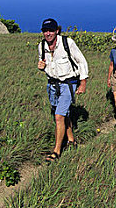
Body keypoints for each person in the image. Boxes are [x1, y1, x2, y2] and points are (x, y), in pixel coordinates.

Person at [37, 18, 89, 162]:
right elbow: (47, 66)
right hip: (52, 84)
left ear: (57, 31)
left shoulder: (67, 43)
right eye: (45, 31)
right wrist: (41, 67)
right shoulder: (41, 46)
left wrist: (83, 82)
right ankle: (71, 139)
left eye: (51, 30)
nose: (48, 33)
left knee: (59, 116)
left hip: (68, 83)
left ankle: (57, 151)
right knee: (62, 113)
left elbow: (81, 61)